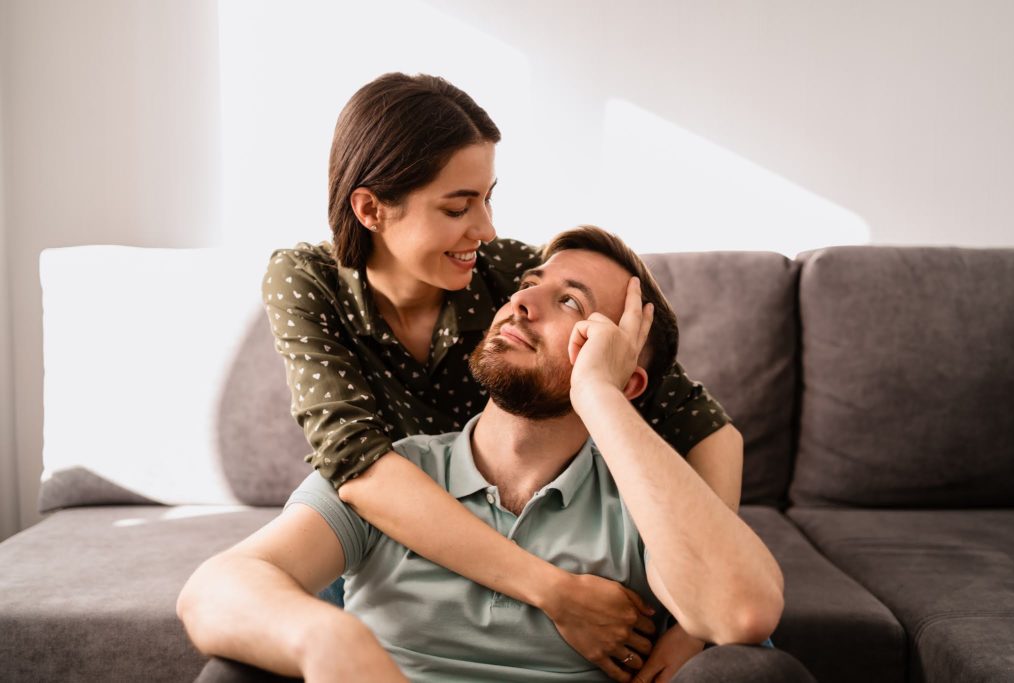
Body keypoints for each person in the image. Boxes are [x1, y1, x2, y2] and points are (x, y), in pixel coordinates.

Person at [257, 73, 744, 678]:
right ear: (370, 208)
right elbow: (355, 466)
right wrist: (553, 591)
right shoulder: (307, 281)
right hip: (394, 551)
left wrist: (690, 630)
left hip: (543, 526)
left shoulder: (508, 272)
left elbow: (708, 428)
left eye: (488, 197)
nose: (484, 228)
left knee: (750, 656)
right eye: (458, 207)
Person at [178, 226, 786, 682]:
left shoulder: (643, 502)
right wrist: (327, 639)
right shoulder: (402, 474)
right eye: (527, 286)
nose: (522, 303)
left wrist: (598, 395)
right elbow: (213, 590)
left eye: (571, 303)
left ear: (627, 379)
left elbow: (742, 613)